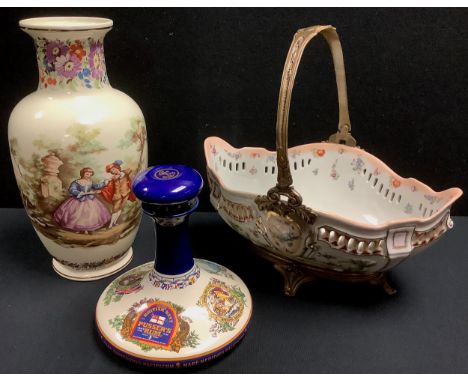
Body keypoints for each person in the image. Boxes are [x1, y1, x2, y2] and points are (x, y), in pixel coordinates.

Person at [54, 167, 111, 234]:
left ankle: (87, 229)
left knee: (90, 214)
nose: (88, 175)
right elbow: (72, 189)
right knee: (76, 214)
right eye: (87, 174)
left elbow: (97, 186)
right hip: (78, 199)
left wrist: (105, 182)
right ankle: (77, 228)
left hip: (90, 199)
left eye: (90, 174)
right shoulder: (76, 182)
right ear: (82, 174)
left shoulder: (90, 182)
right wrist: (81, 193)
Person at [100, 160, 136, 228]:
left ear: (117, 167)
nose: (113, 172)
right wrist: (105, 182)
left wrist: (121, 171)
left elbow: (130, 170)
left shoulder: (124, 173)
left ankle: (114, 222)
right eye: (111, 171)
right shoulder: (114, 177)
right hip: (117, 195)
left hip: (126, 193)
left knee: (120, 208)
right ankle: (110, 224)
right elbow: (107, 182)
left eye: (113, 169)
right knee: (115, 209)